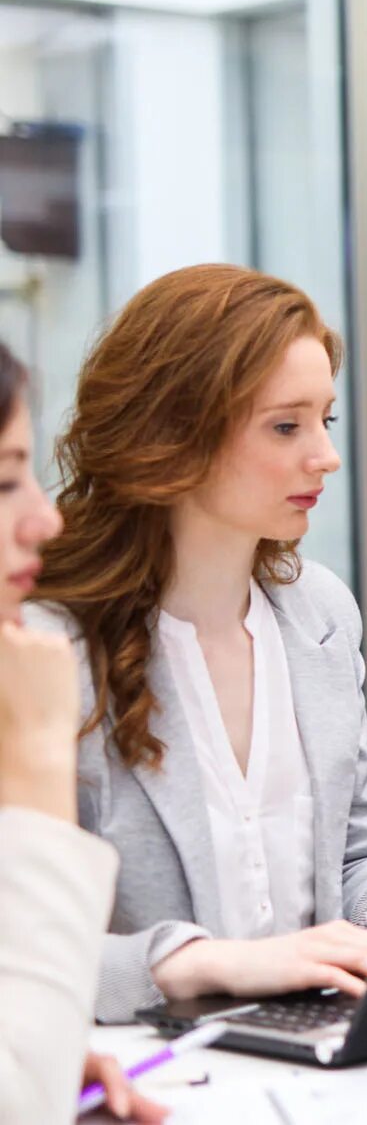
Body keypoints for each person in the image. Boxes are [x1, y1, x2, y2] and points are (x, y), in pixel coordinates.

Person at [28, 265, 367, 1025]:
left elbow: (360, 848)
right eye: (285, 425)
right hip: (148, 1066)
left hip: (318, 1044)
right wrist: (199, 963)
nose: (326, 456)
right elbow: (25, 943)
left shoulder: (323, 614)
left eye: (325, 422)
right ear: (174, 433)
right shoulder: (50, 653)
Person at [0, 341, 163, 1122]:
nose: (45, 517)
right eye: (3, 481)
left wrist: (33, 1051)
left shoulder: (321, 616)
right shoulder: (51, 662)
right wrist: (36, 760)